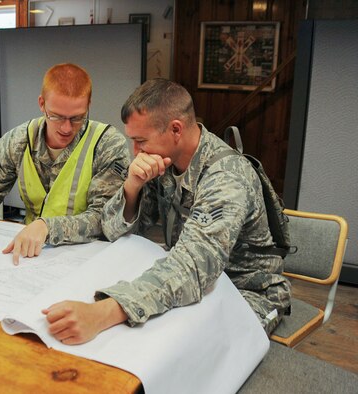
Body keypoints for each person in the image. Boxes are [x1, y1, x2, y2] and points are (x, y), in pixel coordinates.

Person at [42, 79, 291, 344]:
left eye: (140, 141)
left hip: (246, 291)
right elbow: (113, 230)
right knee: (134, 336)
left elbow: (194, 266)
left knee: (186, 349)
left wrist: (103, 312)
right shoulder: (164, 162)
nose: (135, 151)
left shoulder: (227, 177)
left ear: (175, 129)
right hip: (198, 285)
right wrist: (132, 187)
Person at [0, 63, 131, 265]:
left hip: (89, 257)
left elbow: (104, 218)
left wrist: (47, 228)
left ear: (88, 105)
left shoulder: (107, 144)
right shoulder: (20, 139)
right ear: (41, 104)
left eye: (77, 118)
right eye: (57, 116)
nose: (67, 128)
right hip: (33, 255)